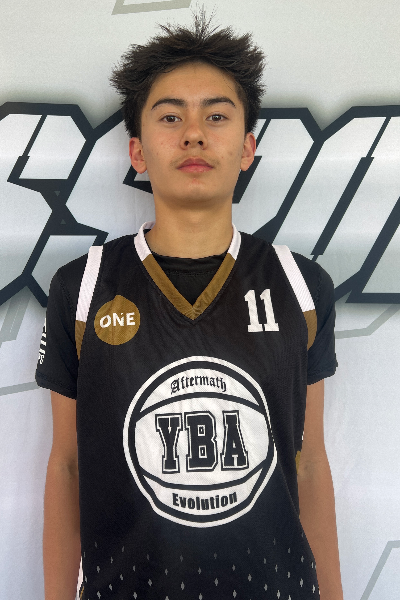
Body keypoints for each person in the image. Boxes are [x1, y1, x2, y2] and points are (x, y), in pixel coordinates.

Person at [36, 12, 343, 600]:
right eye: (171, 116)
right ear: (138, 150)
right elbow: (67, 465)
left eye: (217, 116)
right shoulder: (82, 286)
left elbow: (308, 464)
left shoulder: (301, 284)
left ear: (248, 148)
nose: (194, 135)